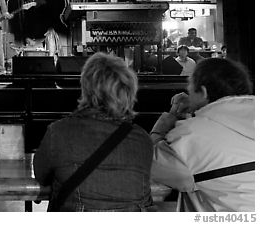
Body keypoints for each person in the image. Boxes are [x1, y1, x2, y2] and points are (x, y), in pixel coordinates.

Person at [33, 53, 153, 211]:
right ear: (128, 92)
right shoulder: (143, 139)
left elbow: (41, 175)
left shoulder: (59, 132)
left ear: (86, 89)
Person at [150, 58, 254, 211]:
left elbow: (150, 164)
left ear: (204, 92)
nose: (188, 94)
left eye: (191, 91)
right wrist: (196, 108)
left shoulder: (192, 135)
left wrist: (164, 124)